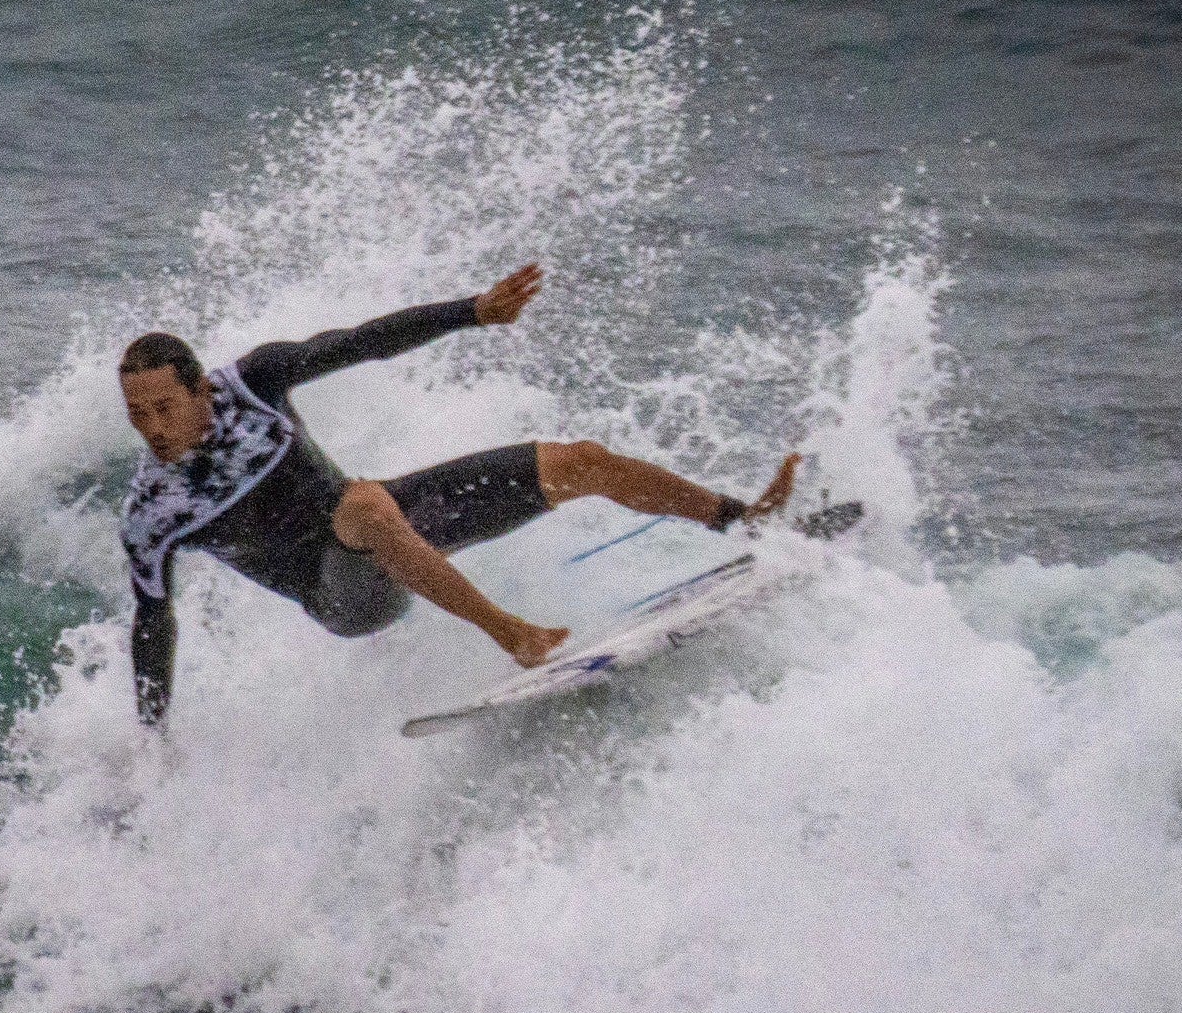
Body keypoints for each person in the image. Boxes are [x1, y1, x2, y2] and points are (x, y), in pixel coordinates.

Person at [118, 264, 799, 724]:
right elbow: (153, 623)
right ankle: (515, 636)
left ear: (200, 388)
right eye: (137, 413)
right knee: (361, 507)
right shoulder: (155, 516)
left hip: (384, 525)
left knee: (580, 461)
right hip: (346, 595)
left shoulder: (251, 385)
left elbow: (359, 344)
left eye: (162, 408)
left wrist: (472, 312)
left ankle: (744, 520)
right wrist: (154, 739)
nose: (152, 428)